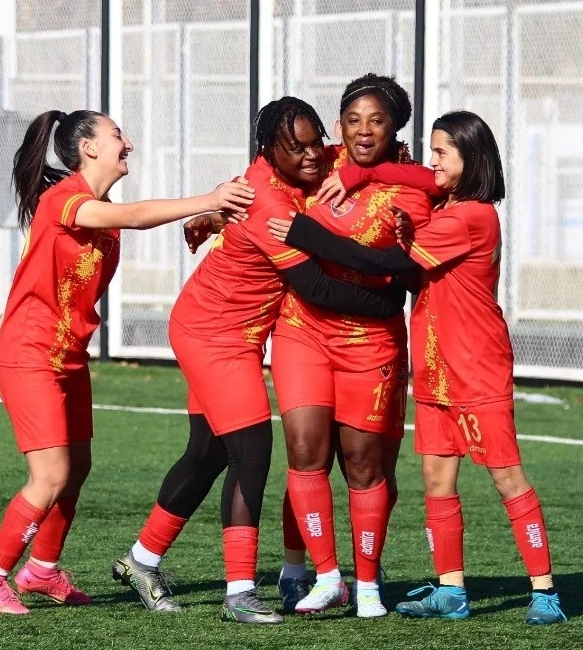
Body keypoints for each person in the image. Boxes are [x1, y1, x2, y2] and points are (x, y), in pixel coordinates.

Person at [111, 97, 406, 625]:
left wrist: (393, 164)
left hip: (234, 332)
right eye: (297, 147)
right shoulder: (267, 199)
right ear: (269, 151)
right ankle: (240, 592)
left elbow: (357, 156)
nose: (313, 155)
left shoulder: (303, 165)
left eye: (316, 142)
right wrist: (387, 301)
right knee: (251, 450)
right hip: (214, 334)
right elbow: (315, 287)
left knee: (207, 454)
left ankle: (141, 561)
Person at [267, 110, 567, 625]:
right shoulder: (445, 207)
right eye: (431, 150)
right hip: (434, 369)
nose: (433, 163)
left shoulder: (472, 216)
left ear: (470, 158)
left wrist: (307, 233)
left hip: (476, 369)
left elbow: (387, 264)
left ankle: (545, 591)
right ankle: (451, 590)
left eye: (443, 153)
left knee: (508, 480)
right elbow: (411, 190)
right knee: (436, 480)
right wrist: (362, 177)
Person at [0, 109, 255, 615]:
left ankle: (42, 571)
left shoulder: (99, 215)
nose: (129, 144)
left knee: (76, 469)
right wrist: (210, 200)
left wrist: (4, 318)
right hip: (32, 355)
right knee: (50, 475)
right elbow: (138, 215)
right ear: (89, 148)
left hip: (67, 355)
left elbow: (37, 266)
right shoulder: (65, 199)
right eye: (118, 135)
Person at [269, 74, 437, 618]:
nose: (363, 131)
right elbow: (266, 180)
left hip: (370, 341)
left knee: (365, 467)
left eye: (377, 121)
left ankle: (367, 582)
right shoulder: (321, 161)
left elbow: (406, 269)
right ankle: (322, 576)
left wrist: (314, 234)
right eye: (352, 120)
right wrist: (216, 212)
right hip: (303, 330)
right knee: (305, 452)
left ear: (395, 128)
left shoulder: (415, 191)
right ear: (338, 123)